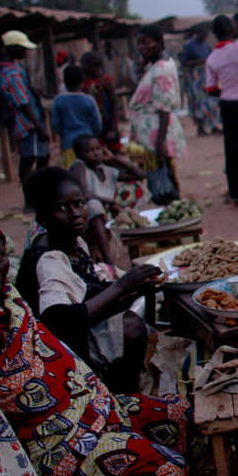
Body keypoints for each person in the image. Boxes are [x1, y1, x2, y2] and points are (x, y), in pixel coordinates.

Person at [0, 213, 189, 476]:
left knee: (181, 414)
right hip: (57, 446)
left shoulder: (6, 296)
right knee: (168, 473)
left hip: (93, 409)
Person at [16, 167, 154, 392]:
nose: (75, 213)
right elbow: (59, 320)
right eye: (62, 208)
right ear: (43, 216)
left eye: (79, 204)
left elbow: (89, 289)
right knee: (131, 327)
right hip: (54, 346)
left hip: (73, 327)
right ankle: (119, 392)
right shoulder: (49, 258)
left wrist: (134, 286)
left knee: (134, 302)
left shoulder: (75, 242)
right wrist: (120, 286)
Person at [0, 30, 50, 205]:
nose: (26, 51)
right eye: (23, 48)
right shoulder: (12, 73)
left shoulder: (8, 69)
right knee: (29, 160)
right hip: (27, 123)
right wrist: (39, 125)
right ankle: (31, 200)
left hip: (28, 120)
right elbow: (22, 102)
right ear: (14, 49)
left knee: (41, 158)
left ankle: (39, 195)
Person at [70, 134, 147, 264]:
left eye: (97, 149)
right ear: (79, 155)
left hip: (108, 216)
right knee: (94, 205)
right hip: (85, 219)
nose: (95, 154)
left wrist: (115, 159)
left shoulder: (105, 169)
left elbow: (141, 175)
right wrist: (111, 202)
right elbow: (84, 194)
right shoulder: (79, 166)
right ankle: (109, 261)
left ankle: (135, 243)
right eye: (89, 151)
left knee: (135, 188)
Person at [206, 14, 238, 207]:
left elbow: (211, 89)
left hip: (227, 104)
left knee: (232, 149)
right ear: (232, 30)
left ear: (215, 34)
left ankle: (235, 193)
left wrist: (226, 91)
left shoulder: (212, 57)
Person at [128, 24, 187, 177]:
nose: (141, 47)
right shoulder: (155, 67)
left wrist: (160, 143)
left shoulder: (161, 70)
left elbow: (164, 109)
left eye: (146, 43)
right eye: (139, 44)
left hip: (157, 135)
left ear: (159, 43)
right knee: (161, 177)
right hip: (152, 134)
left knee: (163, 179)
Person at [51, 64, 102, 167]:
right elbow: (97, 124)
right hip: (89, 144)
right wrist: (93, 135)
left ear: (64, 82)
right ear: (82, 82)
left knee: (74, 174)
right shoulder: (89, 100)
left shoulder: (58, 101)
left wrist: (64, 134)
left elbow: (56, 124)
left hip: (69, 144)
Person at [179, 23, 220, 136]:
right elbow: (184, 62)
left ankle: (213, 125)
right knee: (198, 104)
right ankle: (201, 128)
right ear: (198, 34)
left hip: (207, 77)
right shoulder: (189, 45)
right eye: (204, 34)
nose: (206, 36)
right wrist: (199, 62)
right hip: (196, 79)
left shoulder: (205, 44)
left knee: (211, 102)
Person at [80, 50, 120, 149]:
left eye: (84, 65)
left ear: (92, 66)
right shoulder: (84, 83)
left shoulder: (106, 81)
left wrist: (113, 128)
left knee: (113, 152)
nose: (82, 68)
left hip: (107, 124)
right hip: (93, 125)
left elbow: (114, 103)